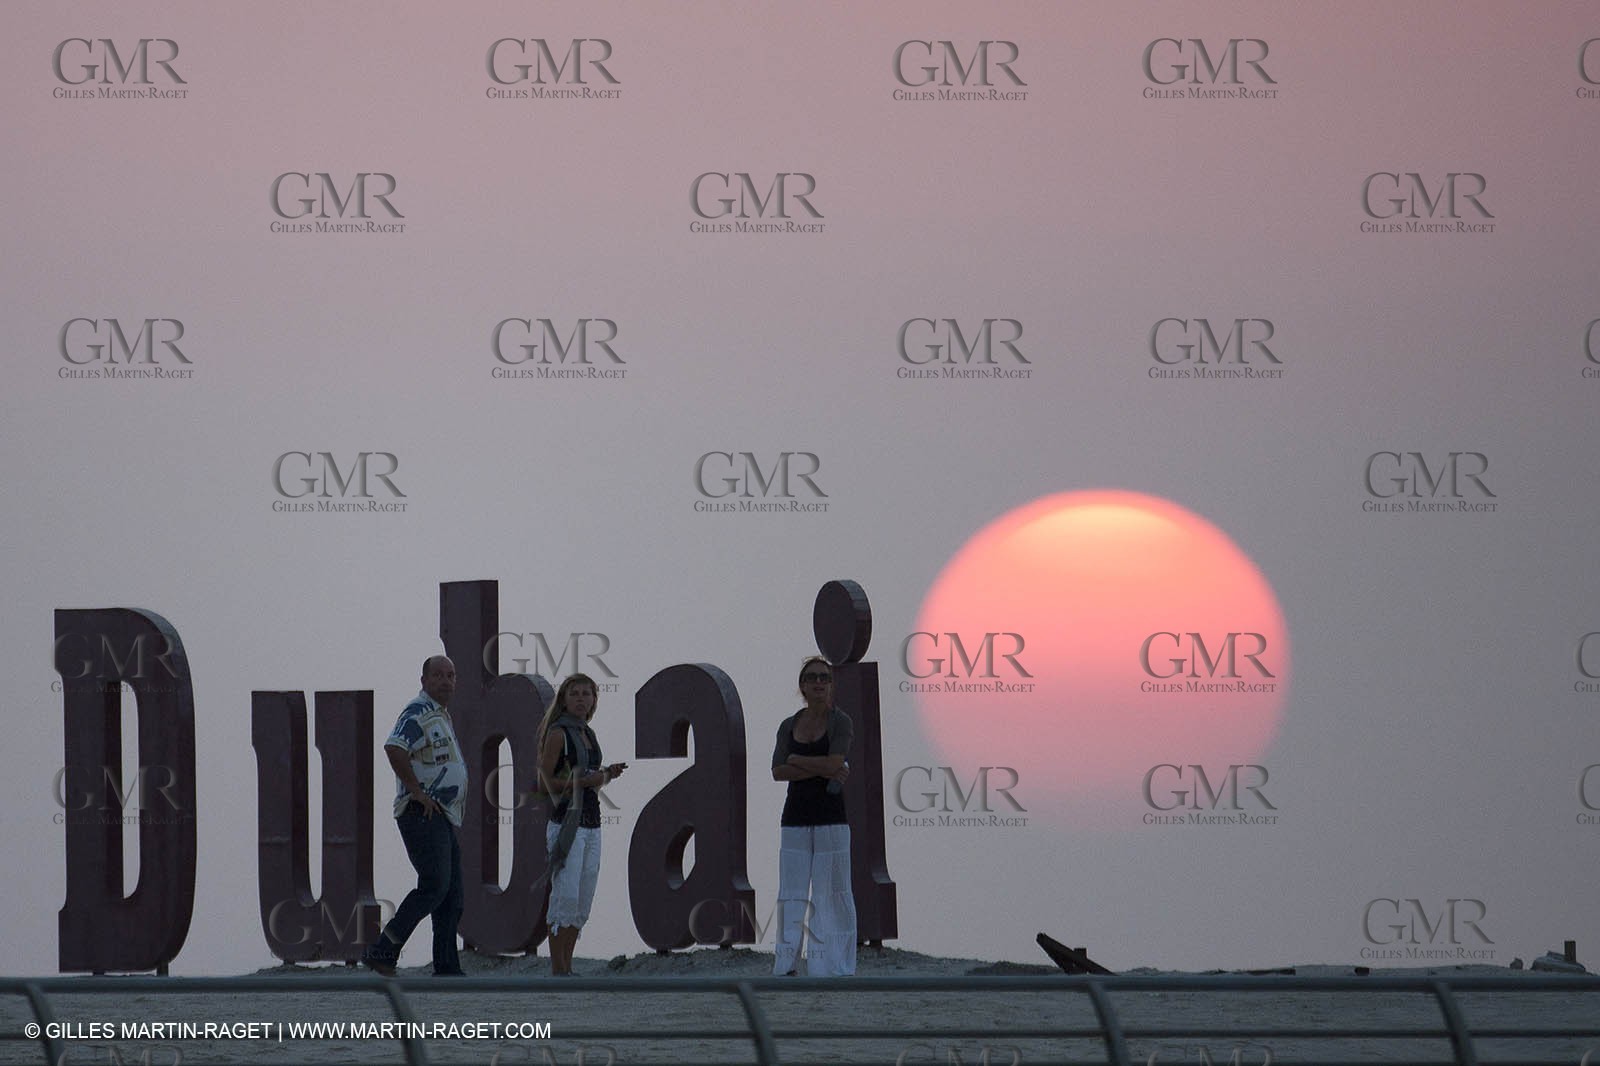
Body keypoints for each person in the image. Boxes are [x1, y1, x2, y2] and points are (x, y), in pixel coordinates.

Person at [362, 655, 467, 976]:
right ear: (424, 680)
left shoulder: (440, 716)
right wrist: (416, 791)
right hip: (421, 811)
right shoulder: (418, 712)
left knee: (452, 893)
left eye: (451, 675)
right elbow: (394, 747)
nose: (446, 681)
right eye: (438, 675)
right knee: (434, 884)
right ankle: (383, 949)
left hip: (444, 814)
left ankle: (447, 964)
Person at [771, 655, 855, 976]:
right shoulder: (788, 725)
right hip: (794, 817)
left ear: (831, 685)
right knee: (791, 893)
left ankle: (833, 965)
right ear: (802, 686)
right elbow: (778, 771)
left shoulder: (840, 722)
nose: (819, 682)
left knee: (831, 891)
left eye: (824, 677)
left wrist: (799, 761)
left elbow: (837, 763)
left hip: (831, 817)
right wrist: (825, 768)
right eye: (812, 677)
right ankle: (787, 965)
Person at [538, 673, 626, 976]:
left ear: (594, 700)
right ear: (564, 699)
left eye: (586, 694)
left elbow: (590, 777)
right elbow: (544, 781)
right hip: (567, 823)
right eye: (574, 693)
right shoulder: (558, 734)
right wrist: (585, 780)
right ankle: (558, 968)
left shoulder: (588, 733)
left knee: (583, 897)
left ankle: (568, 965)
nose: (580, 699)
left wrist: (606, 774)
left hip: (592, 822)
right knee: (565, 895)